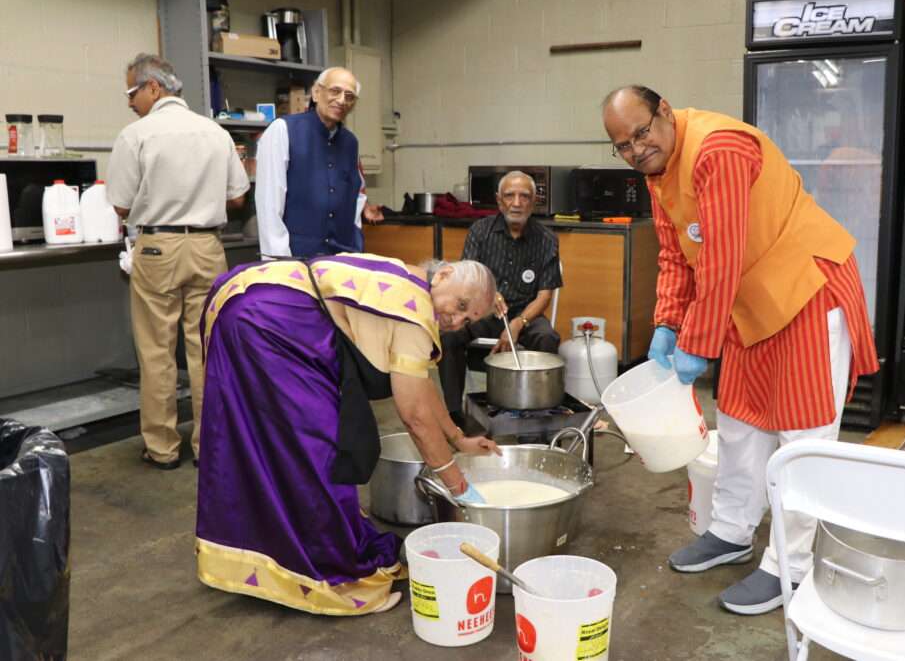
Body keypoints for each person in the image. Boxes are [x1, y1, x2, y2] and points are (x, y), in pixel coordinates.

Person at [602, 86, 879, 615]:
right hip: (747, 303)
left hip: (805, 290)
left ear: (665, 111)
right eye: (623, 145)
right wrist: (666, 322)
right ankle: (731, 530)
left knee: (802, 435)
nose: (636, 150)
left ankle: (790, 566)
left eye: (641, 133)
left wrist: (698, 340)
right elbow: (677, 256)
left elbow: (722, 254)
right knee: (739, 423)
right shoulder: (659, 173)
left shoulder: (718, 149)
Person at [195, 253, 501, 615]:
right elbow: (415, 415)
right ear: (445, 274)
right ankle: (337, 578)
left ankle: (264, 552)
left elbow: (420, 386)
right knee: (318, 454)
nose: (457, 319)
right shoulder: (415, 309)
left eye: (469, 318)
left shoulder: (407, 279)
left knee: (264, 445)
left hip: (245, 304)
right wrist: (457, 483)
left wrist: (457, 438)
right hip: (271, 327)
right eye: (461, 304)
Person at [107, 53, 249, 470]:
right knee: (206, 350)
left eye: (132, 92)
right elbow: (238, 197)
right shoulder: (215, 132)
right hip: (208, 248)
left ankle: (163, 448)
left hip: (158, 249)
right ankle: (210, 447)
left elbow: (119, 205)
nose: (130, 102)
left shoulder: (136, 135)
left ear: (153, 87)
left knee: (156, 353)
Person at [437, 171, 563, 422]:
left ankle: (537, 413)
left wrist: (519, 323)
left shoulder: (547, 240)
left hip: (527, 313)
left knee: (547, 337)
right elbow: (467, 277)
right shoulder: (480, 231)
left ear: (534, 201)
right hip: (482, 310)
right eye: (510, 195)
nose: (517, 202)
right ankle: (455, 415)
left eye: (524, 196)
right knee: (449, 333)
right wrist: (487, 292)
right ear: (499, 200)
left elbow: (544, 295)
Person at [255, 66, 382, 260]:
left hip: (341, 258)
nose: (341, 100)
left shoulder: (350, 142)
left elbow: (355, 198)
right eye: (335, 91)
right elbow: (269, 203)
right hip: (295, 258)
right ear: (316, 92)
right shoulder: (283, 130)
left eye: (349, 96)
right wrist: (278, 263)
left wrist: (355, 249)